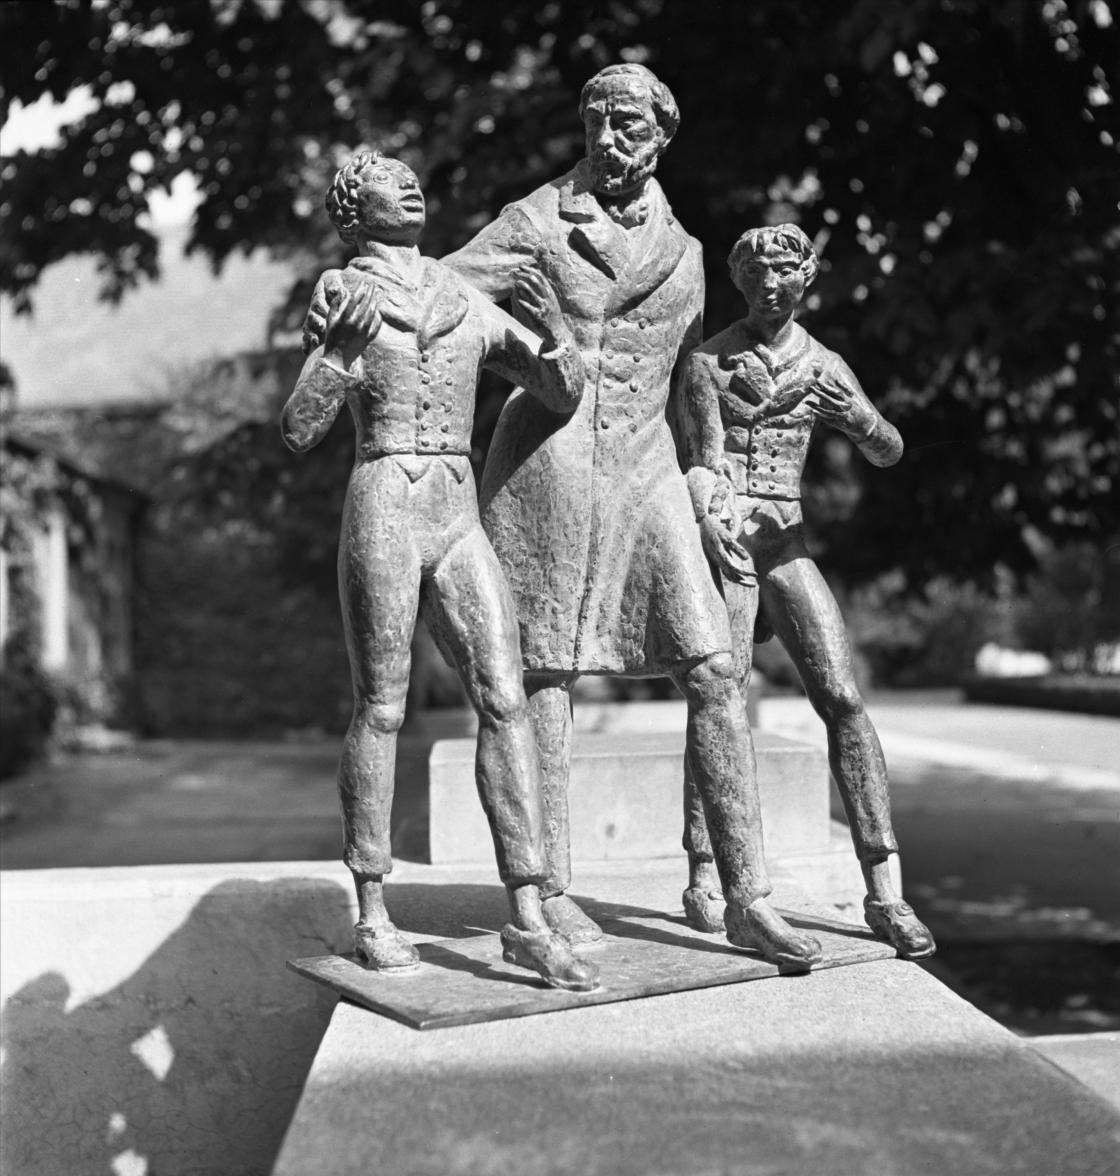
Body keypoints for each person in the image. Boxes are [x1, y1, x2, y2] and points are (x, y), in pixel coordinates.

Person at [443, 65, 822, 969]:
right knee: (545, 678)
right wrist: (526, 344)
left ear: (661, 137)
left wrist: (710, 476)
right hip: (548, 466)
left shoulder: (687, 250)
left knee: (715, 667)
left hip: (648, 468)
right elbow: (447, 296)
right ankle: (548, 890)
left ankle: (747, 897)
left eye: (630, 125)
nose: (611, 139)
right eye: (598, 122)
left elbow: (692, 381)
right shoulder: (537, 220)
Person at [282, 150, 599, 991]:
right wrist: (338, 359)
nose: (413, 183)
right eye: (390, 179)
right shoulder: (340, 294)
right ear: (354, 210)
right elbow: (299, 427)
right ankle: (373, 906)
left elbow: (559, 391)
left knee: (504, 695)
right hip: (386, 494)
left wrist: (559, 333)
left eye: (416, 175)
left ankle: (528, 909)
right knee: (382, 706)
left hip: (457, 505)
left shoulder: (465, 296)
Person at [680, 223, 935, 960]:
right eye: (755, 280)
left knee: (844, 699)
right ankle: (707, 871)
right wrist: (710, 508)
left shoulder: (824, 363)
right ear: (740, 283)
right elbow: (699, 459)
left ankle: (886, 889)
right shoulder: (708, 363)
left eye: (782, 279)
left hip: (788, 549)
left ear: (805, 280)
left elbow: (887, 447)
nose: (768, 291)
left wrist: (855, 416)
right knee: (718, 700)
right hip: (729, 550)